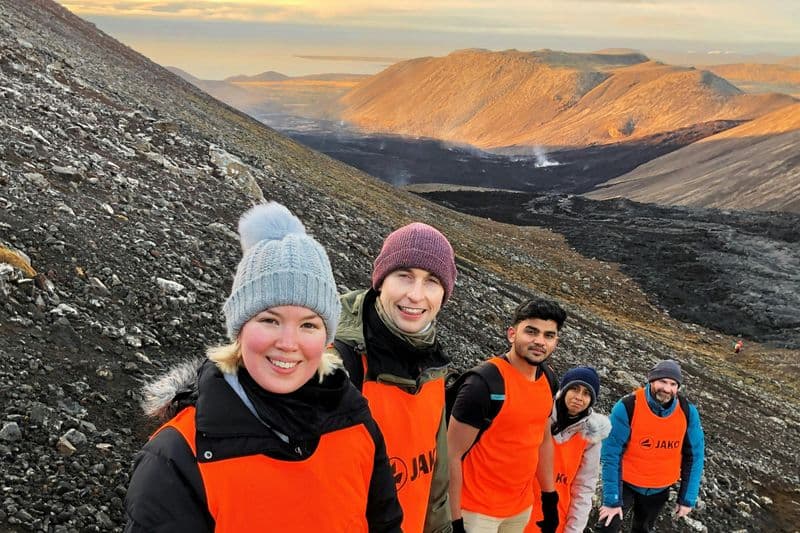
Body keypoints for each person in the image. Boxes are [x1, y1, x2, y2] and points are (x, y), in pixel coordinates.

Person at [124, 202, 403, 532]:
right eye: (270, 320)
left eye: (309, 325)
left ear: (328, 337)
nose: (288, 342)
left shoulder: (356, 422)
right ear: (239, 328)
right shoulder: (177, 458)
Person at [330, 222, 458, 533]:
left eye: (431, 282)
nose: (416, 295)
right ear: (380, 282)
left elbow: (434, 478)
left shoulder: (433, 367)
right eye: (404, 276)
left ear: (444, 294)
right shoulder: (336, 366)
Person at [448, 298, 567, 533]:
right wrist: (455, 521)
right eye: (531, 332)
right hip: (475, 510)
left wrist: (550, 498)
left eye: (548, 335)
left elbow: (542, 440)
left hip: (519, 508)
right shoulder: (482, 385)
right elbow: (451, 454)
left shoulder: (548, 379)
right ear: (512, 334)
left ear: (556, 341)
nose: (539, 342)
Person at [597, 360, 705, 533]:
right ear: (651, 380)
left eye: (673, 384)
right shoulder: (628, 406)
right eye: (662, 381)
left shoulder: (687, 412)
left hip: (659, 488)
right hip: (625, 483)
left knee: (644, 529)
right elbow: (611, 453)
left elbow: (695, 455)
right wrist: (612, 500)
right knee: (607, 527)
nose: (667, 389)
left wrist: (686, 499)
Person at [525, 366, 611, 533]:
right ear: (563, 390)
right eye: (574, 389)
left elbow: (584, 488)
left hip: (554, 519)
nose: (579, 397)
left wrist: (574, 529)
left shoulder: (590, 438)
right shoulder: (538, 416)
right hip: (516, 513)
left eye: (586, 393)